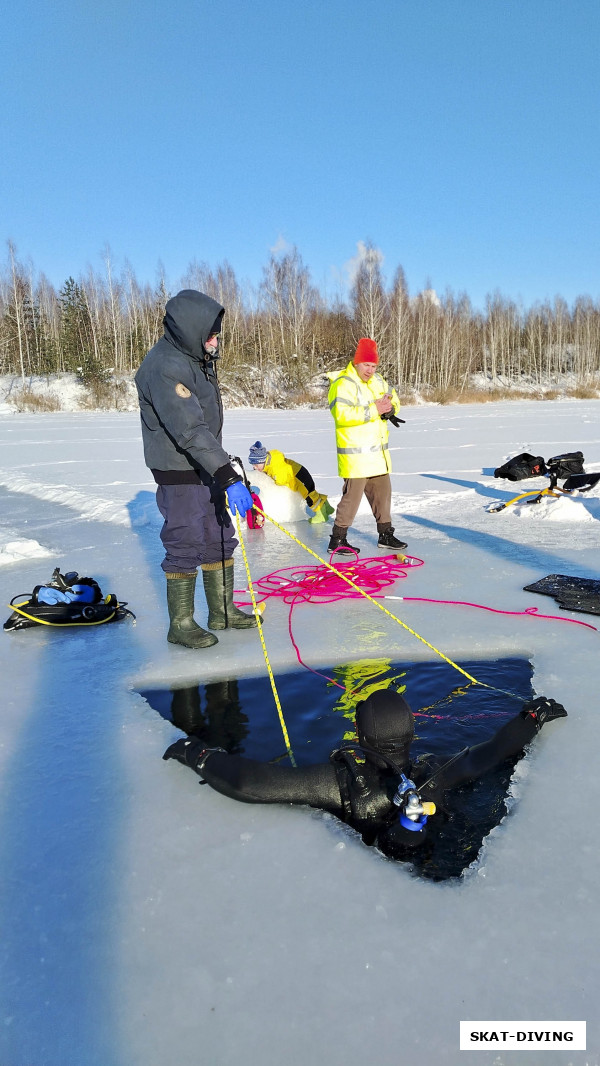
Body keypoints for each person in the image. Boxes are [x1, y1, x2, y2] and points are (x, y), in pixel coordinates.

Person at [162, 689, 567, 861]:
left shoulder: (337, 782)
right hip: (434, 848)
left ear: (360, 734)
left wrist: (197, 753)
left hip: (383, 853)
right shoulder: (435, 770)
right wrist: (531, 717)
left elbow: (251, 782)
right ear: (411, 731)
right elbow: (494, 751)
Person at [135, 289, 257, 649]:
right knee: (185, 541)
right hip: (180, 471)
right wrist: (228, 475)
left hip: (205, 466)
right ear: (190, 329)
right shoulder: (164, 366)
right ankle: (182, 624)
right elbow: (189, 430)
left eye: (216, 334)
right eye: (210, 334)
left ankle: (222, 611)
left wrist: (221, 469)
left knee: (219, 535)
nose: (215, 341)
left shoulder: (194, 359)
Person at [327, 337, 407, 555]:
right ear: (357, 363)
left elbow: (393, 399)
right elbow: (341, 414)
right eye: (366, 365)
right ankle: (337, 539)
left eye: (373, 366)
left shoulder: (378, 381)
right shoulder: (343, 383)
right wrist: (375, 410)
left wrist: (391, 409)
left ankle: (386, 535)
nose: (370, 370)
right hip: (355, 456)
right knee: (351, 499)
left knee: (383, 494)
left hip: (376, 453)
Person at [247, 441, 335, 524]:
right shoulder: (270, 463)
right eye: (253, 465)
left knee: (309, 496)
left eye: (256, 465)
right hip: (298, 472)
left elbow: (280, 481)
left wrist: (272, 479)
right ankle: (327, 508)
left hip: (299, 477)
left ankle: (321, 515)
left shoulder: (275, 467)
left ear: (262, 461)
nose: (254, 468)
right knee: (311, 491)